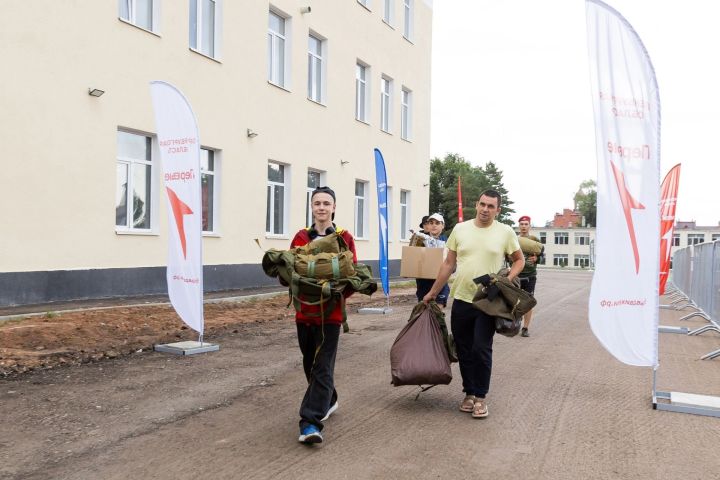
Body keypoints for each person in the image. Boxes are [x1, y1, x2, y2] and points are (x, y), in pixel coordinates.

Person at [422, 190, 524, 419]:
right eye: (482, 205)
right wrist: (433, 292)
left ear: (498, 210)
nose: (485, 210)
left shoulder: (505, 232)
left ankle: (480, 397)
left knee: (481, 347)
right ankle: (468, 392)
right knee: (463, 347)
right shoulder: (460, 229)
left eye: (491, 206)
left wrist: (505, 281)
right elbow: (449, 264)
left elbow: (519, 260)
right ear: (476, 205)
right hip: (461, 297)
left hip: (488, 301)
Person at [290, 186, 357, 444]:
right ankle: (329, 399)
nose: (321, 207)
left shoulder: (344, 238)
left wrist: (336, 296)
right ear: (311, 207)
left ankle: (310, 423)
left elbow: (351, 275)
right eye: (317, 203)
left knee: (322, 365)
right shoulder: (300, 238)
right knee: (310, 362)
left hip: (330, 314)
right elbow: (291, 273)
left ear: (334, 207)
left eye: (326, 203)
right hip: (304, 312)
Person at [414, 213, 450, 307]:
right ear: (428, 225)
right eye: (431, 222)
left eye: (437, 223)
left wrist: (445, 268)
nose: (434, 225)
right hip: (423, 286)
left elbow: (452, 265)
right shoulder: (419, 240)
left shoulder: (448, 242)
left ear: (443, 226)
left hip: (440, 286)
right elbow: (413, 261)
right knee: (424, 316)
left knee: (436, 315)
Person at [517, 215, 542, 337]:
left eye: (526, 224)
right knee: (514, 301)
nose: (523, 226)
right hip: (516, 275)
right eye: (521, 224)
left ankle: (525, 328)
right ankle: (516, 321)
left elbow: (542, 256)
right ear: (519, 226)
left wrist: (537, 258)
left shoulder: (534, 240)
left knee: (528, 301)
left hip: (530, 276)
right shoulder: (514, 240)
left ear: (529, 226)